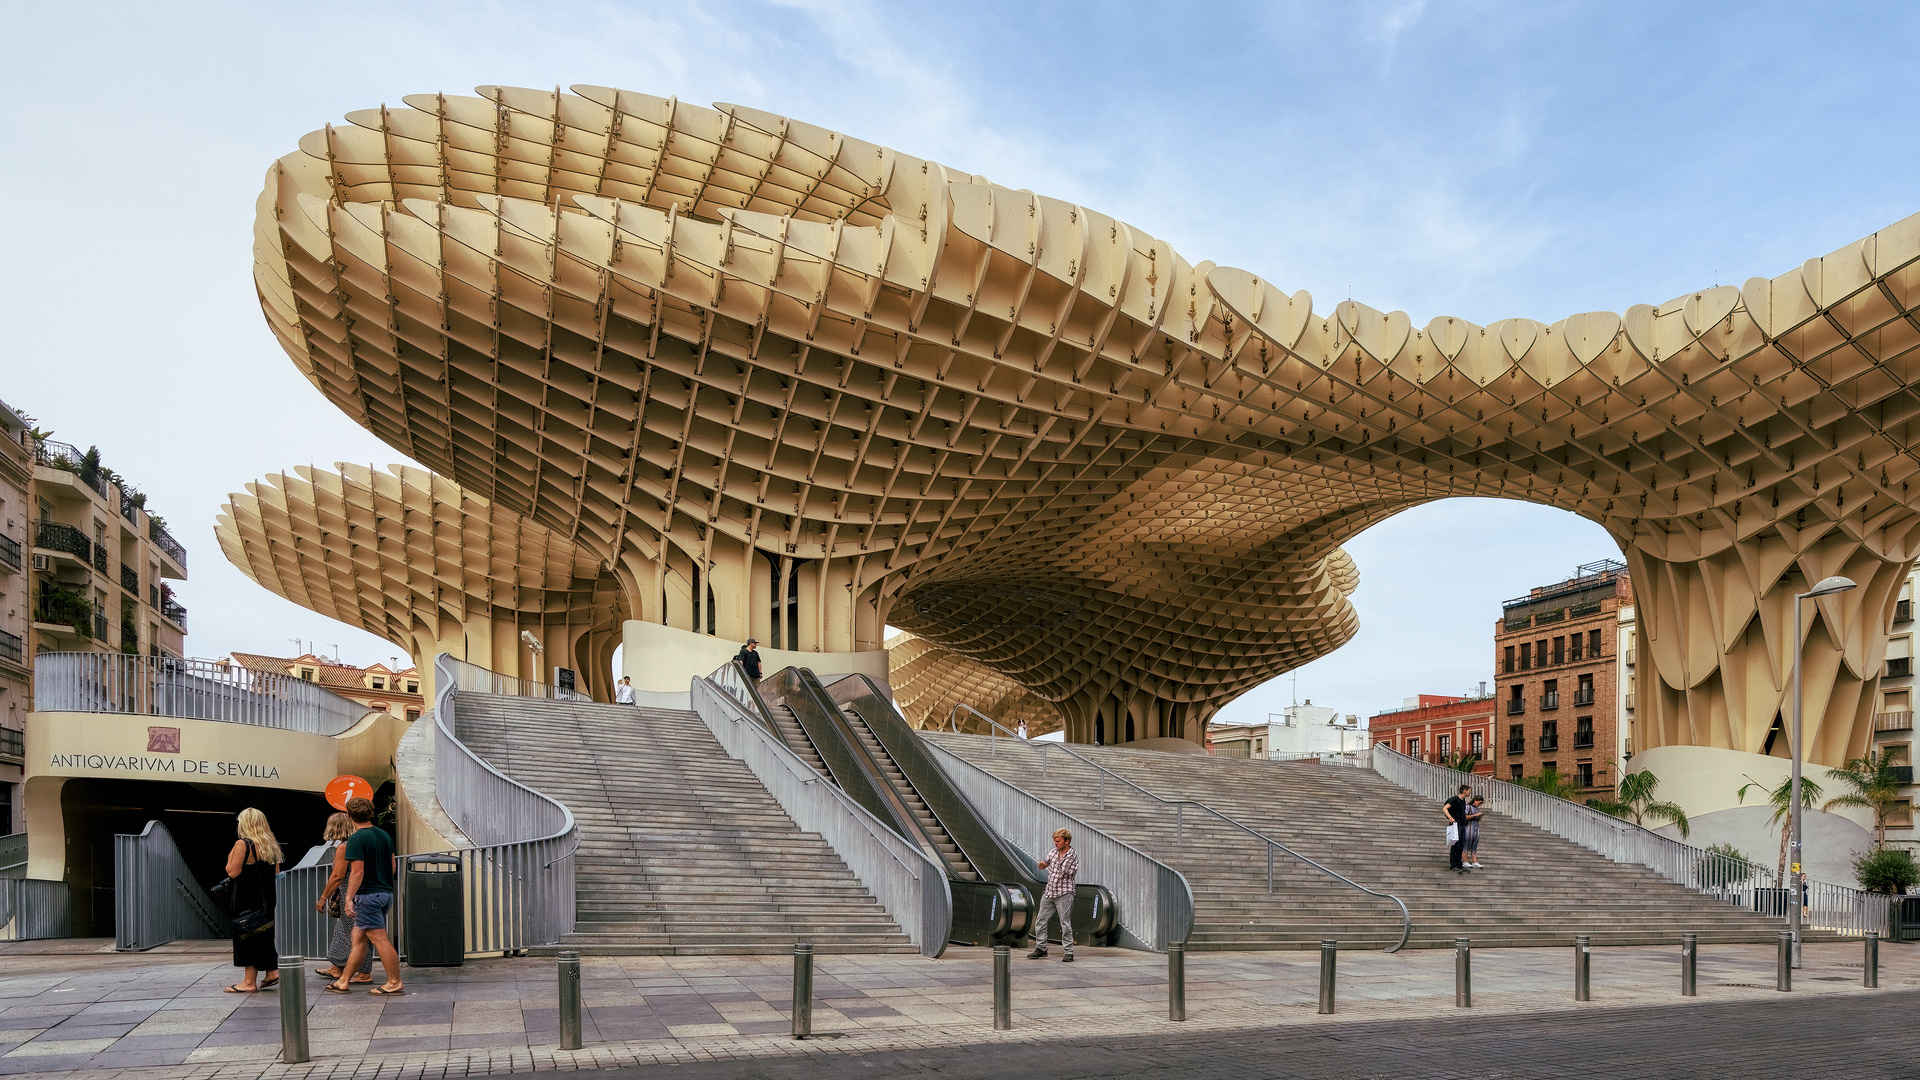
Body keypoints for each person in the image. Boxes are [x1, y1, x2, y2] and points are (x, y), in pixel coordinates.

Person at [327, 797, 404, 996]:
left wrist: (348, 898)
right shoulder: (384, 836)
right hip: (384, 893)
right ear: (371, 813)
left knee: (379, 940)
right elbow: (393, 866)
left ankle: (394, 982)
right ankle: (343, 981)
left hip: (367, 896)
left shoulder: (356, 839)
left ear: (349, 815)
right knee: (359, 938)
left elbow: (357, 872)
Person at [222, 808, 282, 993]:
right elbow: (277, 872)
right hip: (266, 899)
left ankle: (249, 982)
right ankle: (272, 971)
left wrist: (233, 850)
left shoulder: (243, 844)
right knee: (263, 934)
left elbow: (231, 871)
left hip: (246, 898)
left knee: (247, 936)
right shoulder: (270, 844)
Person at [312, 812, 374, 984]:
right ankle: (337, 967)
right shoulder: (364, 842)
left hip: (352, 894)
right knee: (343, 930)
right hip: (365, 892)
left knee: (358, 934)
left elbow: (337, 876)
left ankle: (364, 972)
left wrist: (323, 898)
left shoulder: (345, 846)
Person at [1026, 828, 1078, 962]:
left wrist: (1052, 864)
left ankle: (1068, 951)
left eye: (1059, 841)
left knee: (1065, 923)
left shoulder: (1072, 855)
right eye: (1055, 841)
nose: (1056, 844)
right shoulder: (1053, 852)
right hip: (1049, 892)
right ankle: (1041, 948)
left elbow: (1065, 871)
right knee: (1040, 921)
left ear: (1067, 841)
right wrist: (1042, 864)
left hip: (1064, 893)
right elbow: (1046, 862)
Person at [1443, 785, 1471, 873]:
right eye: (1469, 791)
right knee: (1456, 844)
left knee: (1461, 844)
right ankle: (1453, 864)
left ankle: (1459, 864)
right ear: (1464, 791)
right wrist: (1450, 818)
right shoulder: (1455, 799)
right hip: (1456, 824)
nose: (1469, 792)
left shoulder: (1463, 801)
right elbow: (1445, 808)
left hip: (1462, 824)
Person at [1463, 796, 1486, 869]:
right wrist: (1475, 815)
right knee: (1466, 844)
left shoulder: (1477, 809)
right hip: (1469, 827)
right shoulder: (1468, 807)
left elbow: (1477, 819)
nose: (1479, 805)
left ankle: (1474, 861)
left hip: (1475, 828)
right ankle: (1465, 861)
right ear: (1475, 800)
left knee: (1474, 844)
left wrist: (1480, 816)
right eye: (1479, 803)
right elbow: (1465, 816)